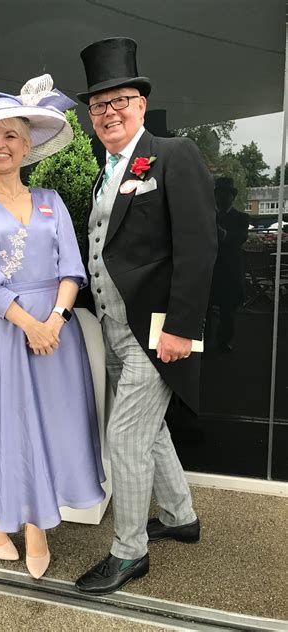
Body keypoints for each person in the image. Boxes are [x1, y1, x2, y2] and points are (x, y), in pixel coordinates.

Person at [0, 74, 105, 580]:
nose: (1, 144)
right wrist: (30, 324)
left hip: (58, 332)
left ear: (27, 144)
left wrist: (54, 321)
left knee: (54, 427)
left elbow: (72, 270)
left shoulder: (52, 200)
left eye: (10, 135)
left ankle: (28, 522)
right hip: (8, 331)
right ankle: (3, 519)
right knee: (12, 428)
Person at [74, 37, 218, 595]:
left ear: (140, 102)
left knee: (125, 440)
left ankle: (129, 553)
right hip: (114, 328)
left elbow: (200, 246)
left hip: (155, 332)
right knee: (149, 429)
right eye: (98, 106)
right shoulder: (104, 170)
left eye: (119, 101)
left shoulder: (172, 154)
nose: (109, 113)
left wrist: (183, 327)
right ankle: (181, 517)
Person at [209, 177, 249, 352]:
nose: (223, 198)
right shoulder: (207, 216)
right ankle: (203, 342)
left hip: (231, 271)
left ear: (232, 197)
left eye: (227, 194)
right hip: (210, 270)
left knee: (228, 311)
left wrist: (222, 234)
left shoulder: (242, 218)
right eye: (220, 194)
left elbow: (239, 238)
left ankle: (223, 342)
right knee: (205, 310)